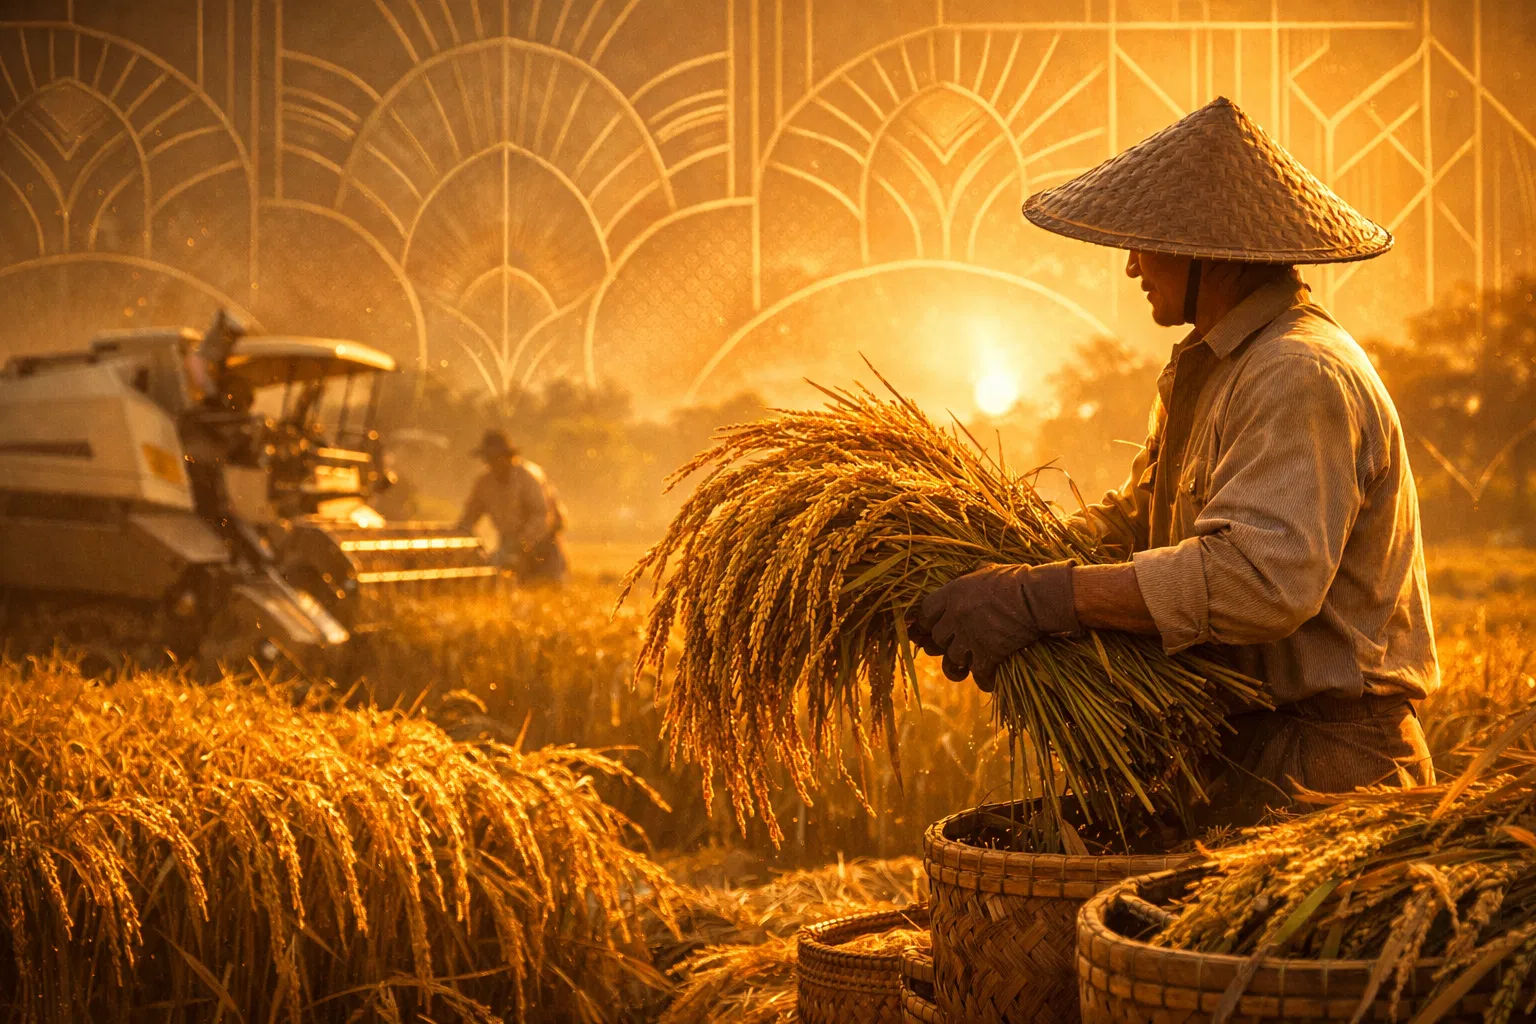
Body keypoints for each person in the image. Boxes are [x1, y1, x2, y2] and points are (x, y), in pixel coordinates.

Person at [910, 97, 1438, 826]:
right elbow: (1139, 521)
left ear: (1208, 251)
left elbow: (1258, 582)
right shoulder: (1215, 367)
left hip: (1330, 772)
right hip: (1244, 754)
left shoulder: (1297, 373)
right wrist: (994, 555)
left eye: (1146, 243)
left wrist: (1040, 598)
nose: (1131, 265)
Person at [458, 429, 567, 584]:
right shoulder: (484, 484)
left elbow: (541, 517)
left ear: (508, 456)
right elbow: (469, 518)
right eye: (488, 459)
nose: (492, 463)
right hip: (509, 545)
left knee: (545, 586)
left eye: (496, 457)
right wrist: (460, 538)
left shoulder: (529, 477)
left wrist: (521, 544)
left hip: (543, 547)